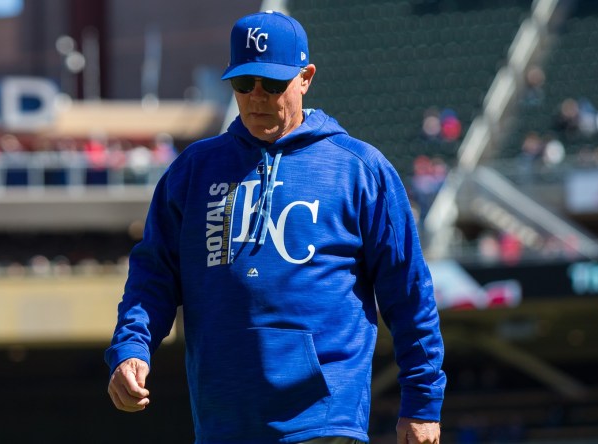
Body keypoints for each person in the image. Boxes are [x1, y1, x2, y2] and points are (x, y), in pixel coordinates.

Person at [105, 10, 446, 444]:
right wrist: (131, 349)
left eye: (272, 84)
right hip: (223, 423)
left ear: (306, 78)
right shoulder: (192, 171)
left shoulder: (360, 170)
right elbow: (152, 278)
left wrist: (422, 404)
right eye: (244, 85)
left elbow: (410, 294)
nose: (257, 97)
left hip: (324, 420)